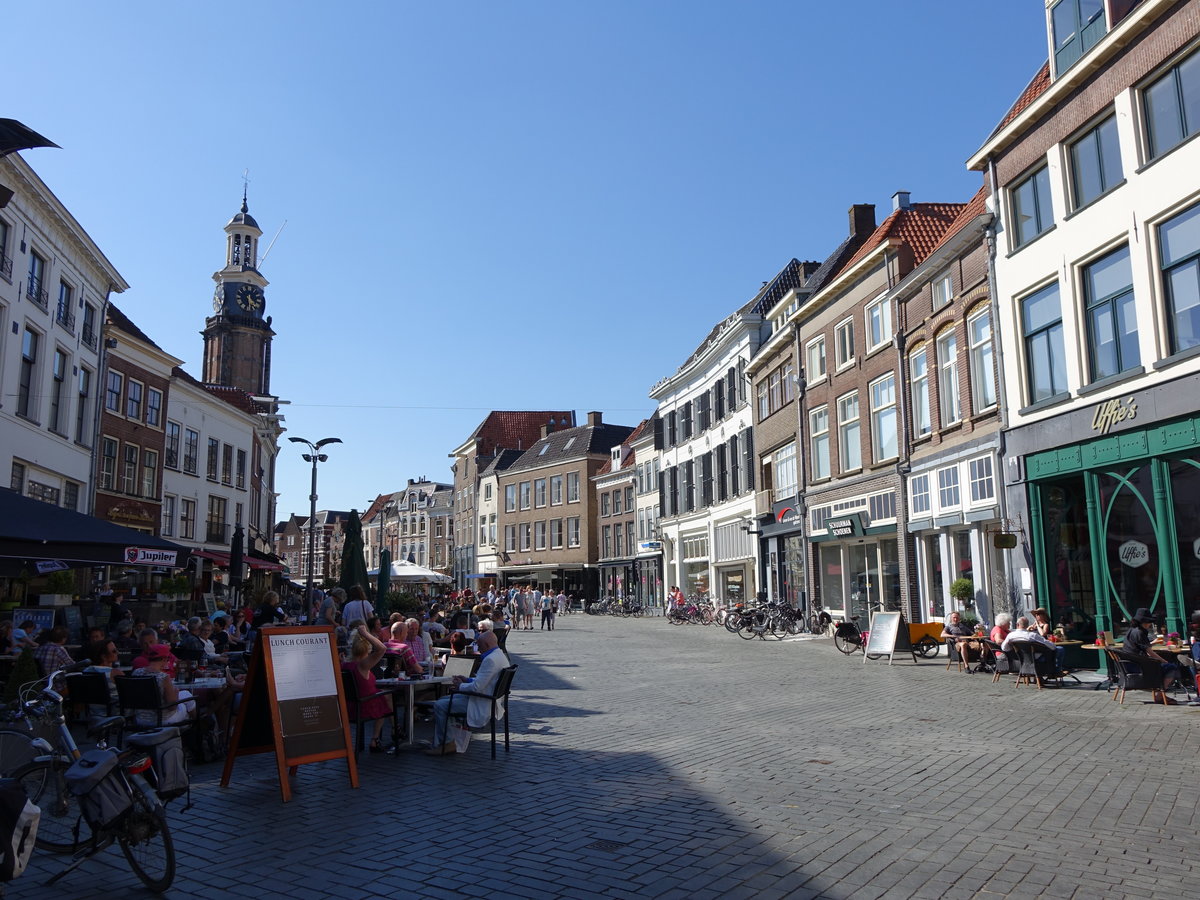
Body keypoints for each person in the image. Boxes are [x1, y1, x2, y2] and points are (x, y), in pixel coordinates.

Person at [425, 629, 510, 756]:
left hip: (482, 701)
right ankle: (445, 738)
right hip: (488, 698)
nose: (479, 649)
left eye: (480, 646)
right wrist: (467, 680)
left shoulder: (490, 660)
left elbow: (476, 688)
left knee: (440, 705)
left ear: (486, 645)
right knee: (442, 701)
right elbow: (484, 681)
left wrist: (460, 685)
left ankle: (447, 742)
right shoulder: (500, 655)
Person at [343, 623, 392, 752]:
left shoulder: (345, 665)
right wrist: (365, 633)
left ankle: (394, 728)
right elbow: (382, 649)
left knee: (384, 695)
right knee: (387, 696)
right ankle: (375, 738)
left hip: (348, 707)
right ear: (367, 648)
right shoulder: (363, 665)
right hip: (364, 706)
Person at [1123, 607, 1179, 704]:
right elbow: (1150, 653)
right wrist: (1164, 661)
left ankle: (1159, 692)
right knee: (1171, 667)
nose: (1150, 625)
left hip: (1128, 665)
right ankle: (1160, 695)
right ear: (1144, 622)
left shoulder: (1132, 630)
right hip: (1139, 667)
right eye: (1149, 622)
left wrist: (1152, 643)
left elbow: (1140, 647)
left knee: (1164, 666)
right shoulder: (1140, 633)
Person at [131, 644, 196, 726]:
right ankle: (196, 725)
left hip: (140, 720)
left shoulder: (136, 673)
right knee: (188, 700)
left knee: (185, 694)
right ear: (164, 659)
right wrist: (175, 693)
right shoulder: (163, 677)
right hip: (162, 720)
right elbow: (172, 707)